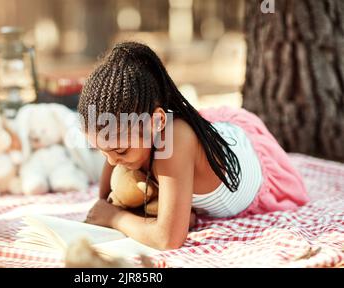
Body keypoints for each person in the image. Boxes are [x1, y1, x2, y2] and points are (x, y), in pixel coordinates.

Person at [77, 41, 309, 250]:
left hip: (246, 151)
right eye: (100, 149)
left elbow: (167, 239)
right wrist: (111, 207)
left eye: (119, 151)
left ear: (156, 122)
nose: (110, 161)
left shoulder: (174, 140)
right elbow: (106, 201)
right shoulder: (120, 139)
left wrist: (115, 218)